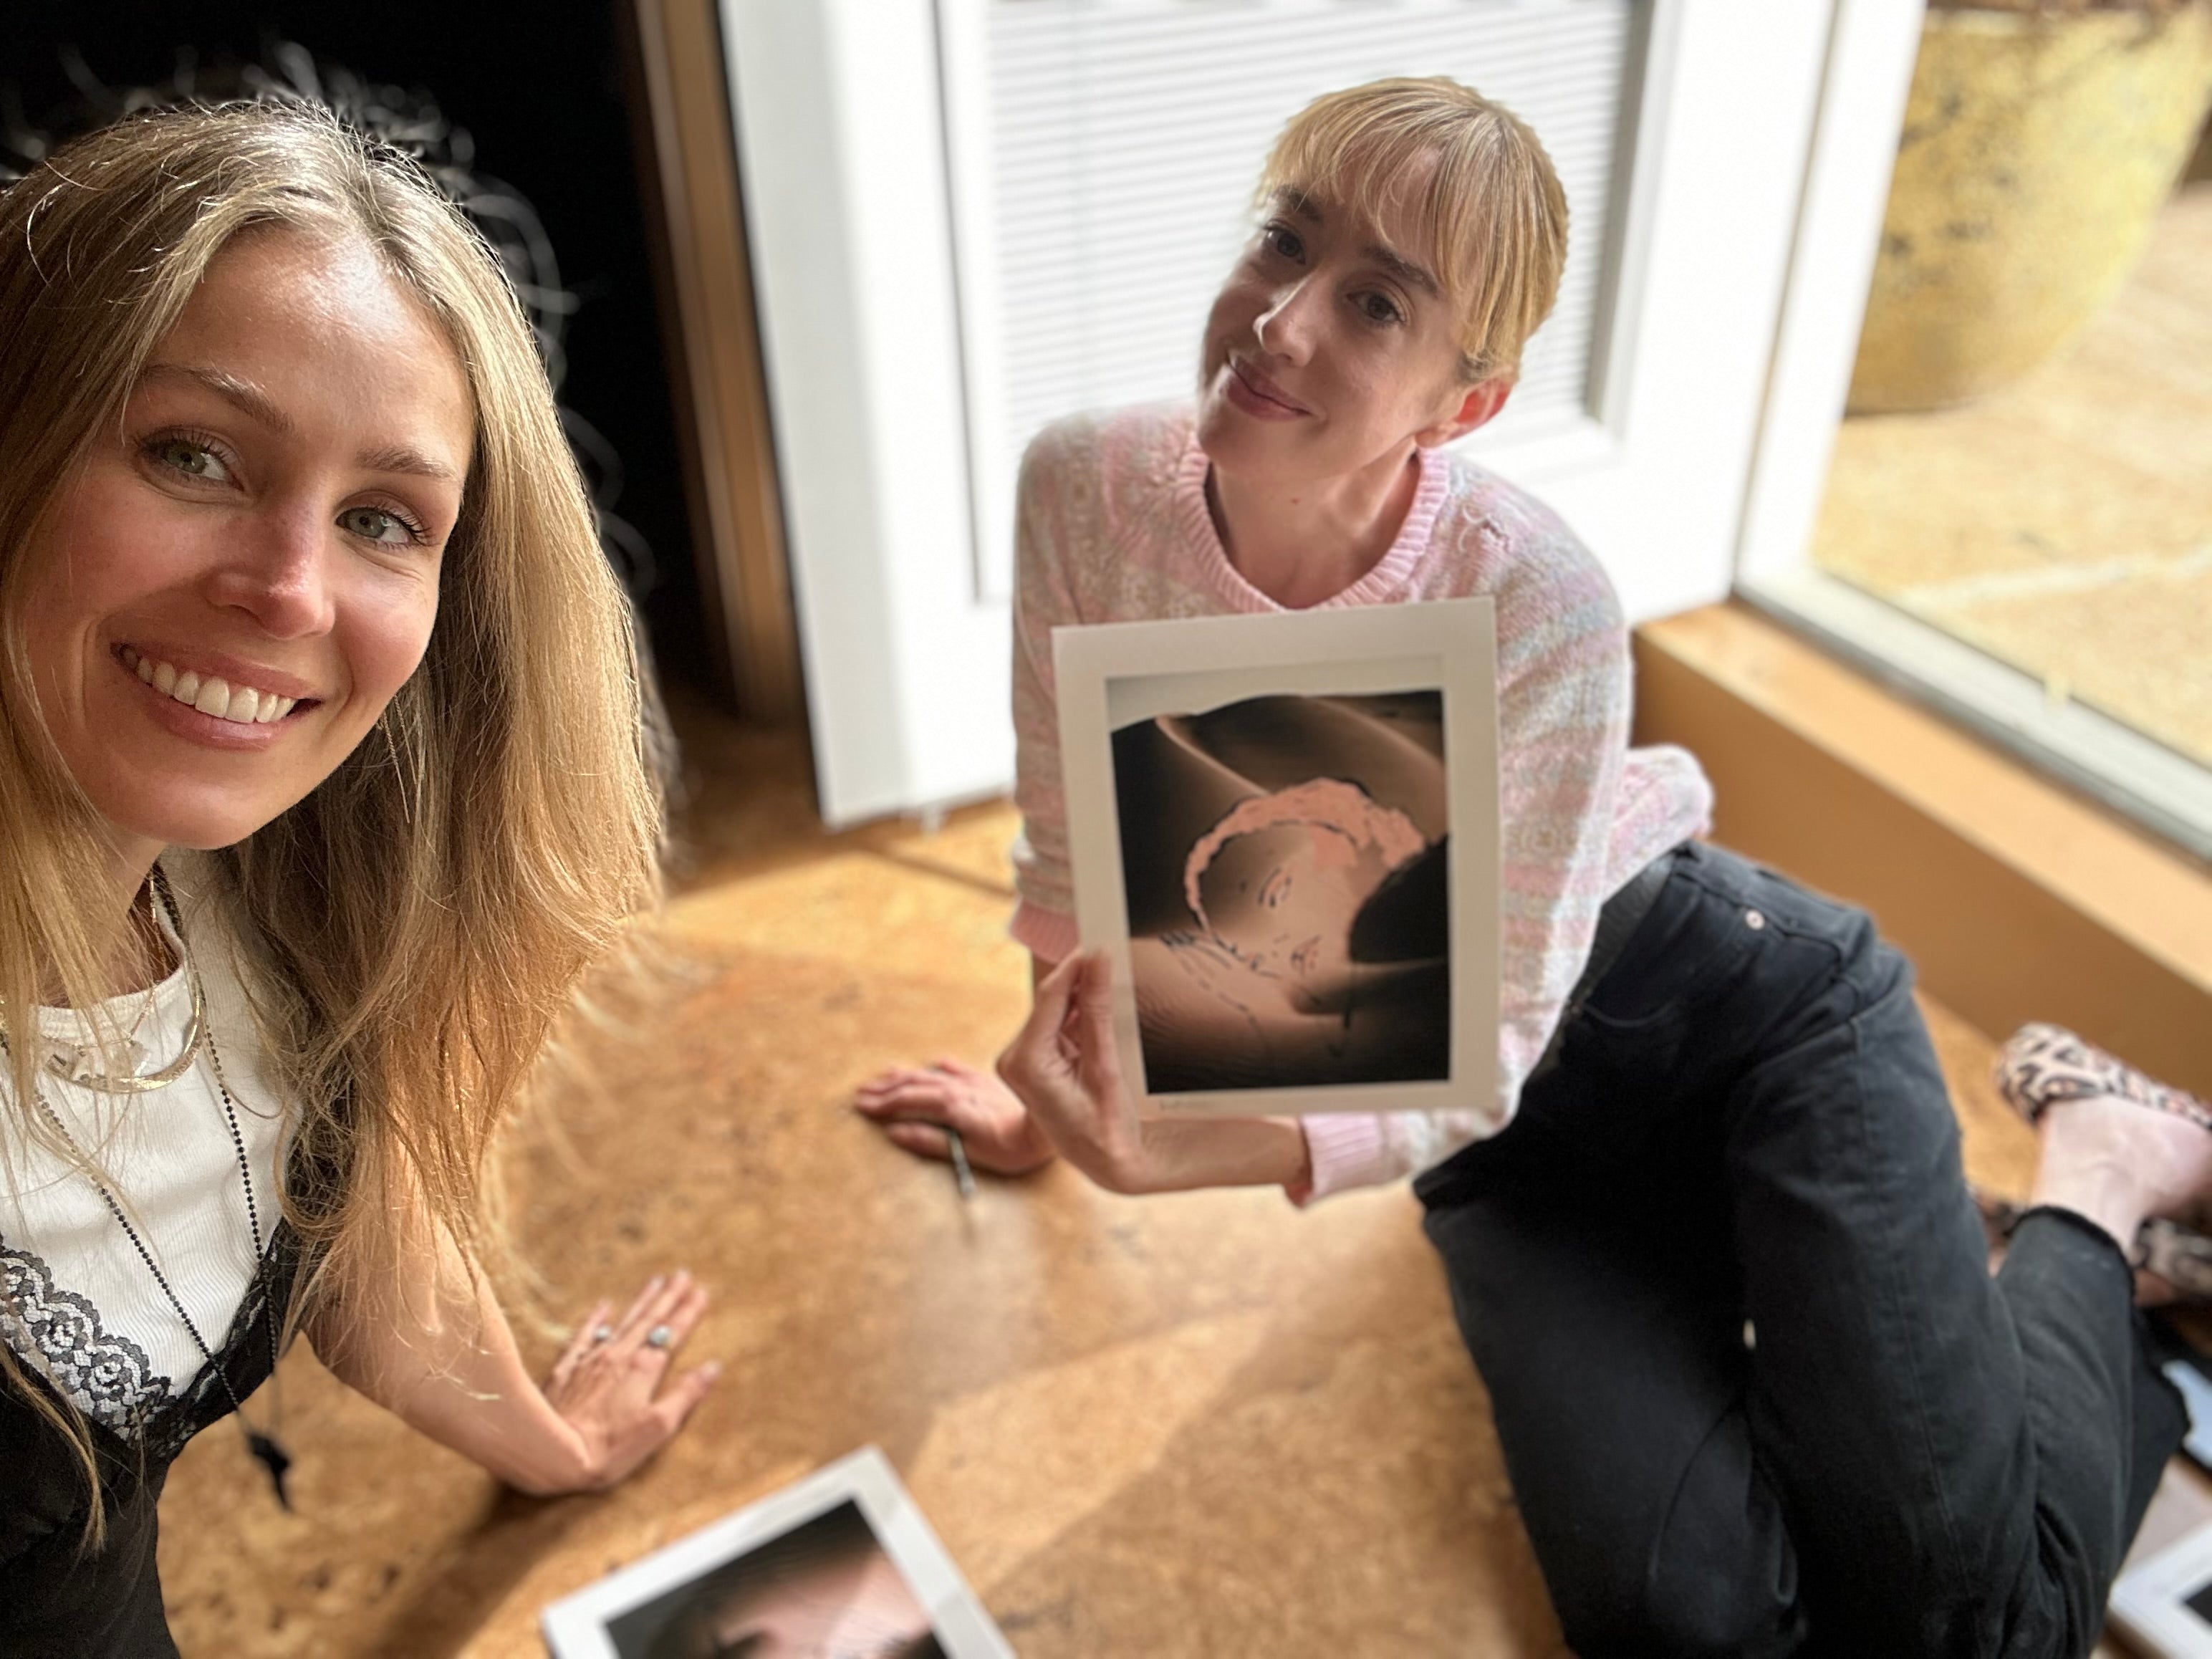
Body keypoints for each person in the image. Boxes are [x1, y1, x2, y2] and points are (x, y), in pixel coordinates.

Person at [860, 77, 2201, 1655]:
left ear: (1461, 405)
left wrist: (1162, 1156)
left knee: (1968, 1627)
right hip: (1511, 1146)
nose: (1277, 322)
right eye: (1282, 240)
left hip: (1732, 1013)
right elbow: (1070, 823)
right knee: (1683, 1629)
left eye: (1372, 302)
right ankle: (1899, 1346)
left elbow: (1482, 1041)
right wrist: (1049, 1098)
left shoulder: (1537, 600)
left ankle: (2098, 1179)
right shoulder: (1081, 486)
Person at [0, 102, 717, 1657]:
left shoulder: (266, 894)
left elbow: (361, 1250)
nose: (286, 589)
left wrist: (557, 1449)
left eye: (382, 520)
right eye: (191, 453)